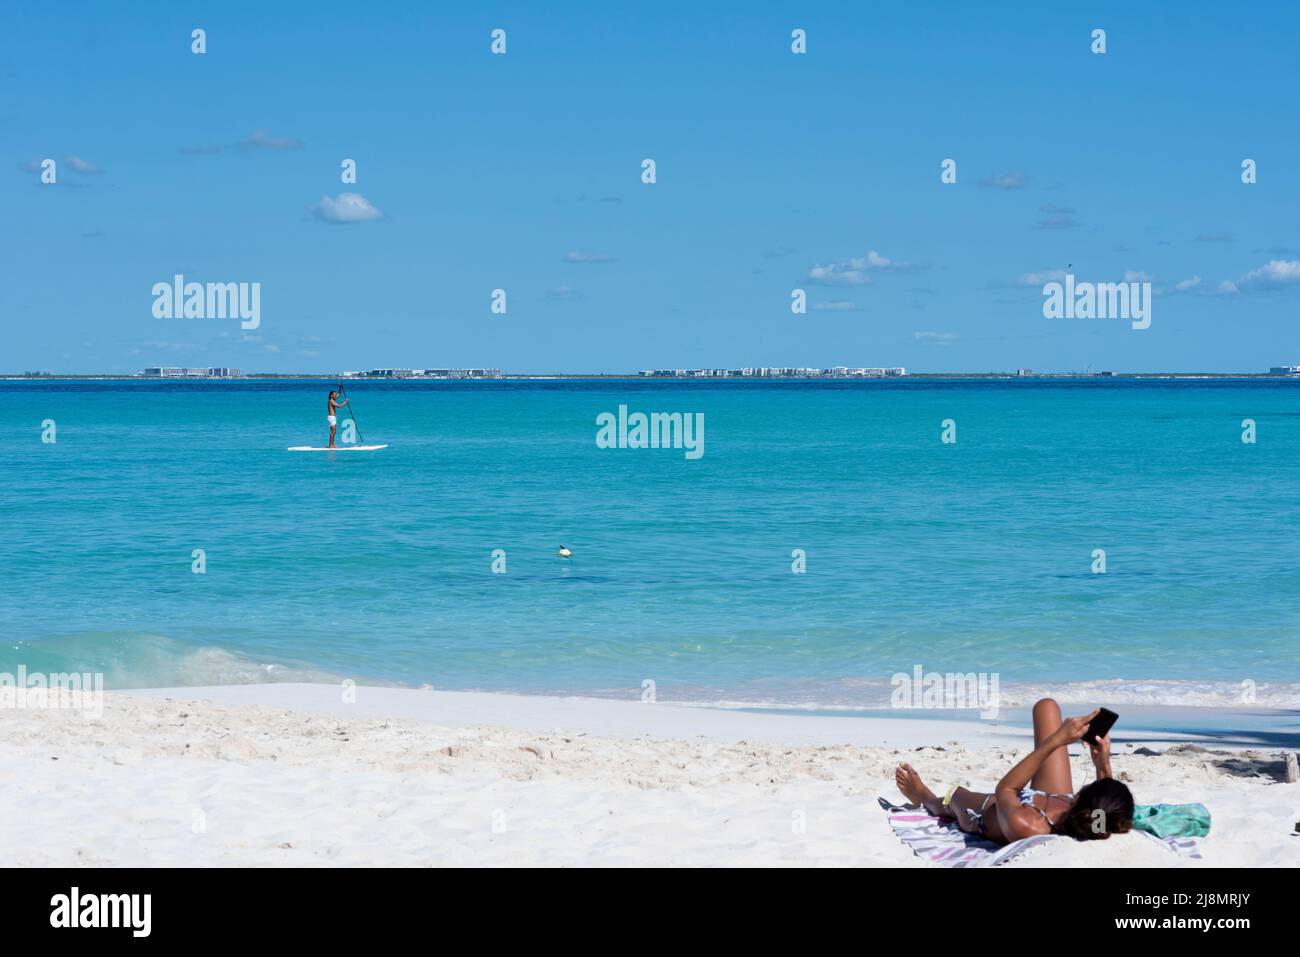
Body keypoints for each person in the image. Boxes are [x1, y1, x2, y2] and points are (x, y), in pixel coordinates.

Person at [894, 697, 1134, 844]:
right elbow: (1103, 813)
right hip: (1049, 799)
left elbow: (1006, 788)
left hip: (991, 813)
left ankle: (925, 797)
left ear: (1080, 798)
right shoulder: (1094, 818)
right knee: (1046, 707)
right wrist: (1102, 765)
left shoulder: (1026, 825)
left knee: (955, 795)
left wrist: (1057, 740)